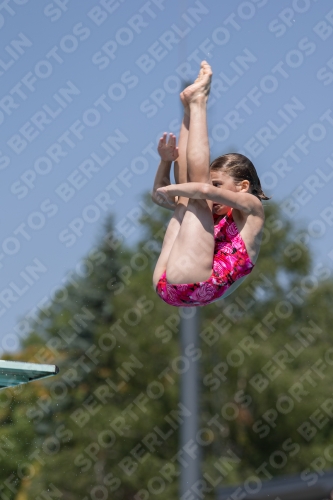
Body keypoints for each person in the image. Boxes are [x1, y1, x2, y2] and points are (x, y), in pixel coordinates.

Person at [151, 61, 269, 307]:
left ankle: (199, 103)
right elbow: (162, 195)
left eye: (219, 185)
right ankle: (188, 110)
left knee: (194, 193)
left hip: (198, 284)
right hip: (167, 284)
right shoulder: (211, 217)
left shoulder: (252, 208)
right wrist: (165, 163)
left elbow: (200, 188)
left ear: (242, 186)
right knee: (187, 199)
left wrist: (170, 189)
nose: (214, 192)